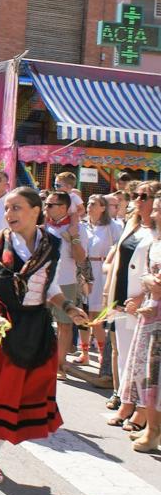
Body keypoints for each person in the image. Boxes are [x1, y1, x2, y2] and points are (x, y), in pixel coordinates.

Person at [0, 187, 88, 484]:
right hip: (0, 324)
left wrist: (68, 306)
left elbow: (48, 287)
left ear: (35, 211)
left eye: (16, 208)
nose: (9, 214)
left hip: (35, 329)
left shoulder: (52, 245)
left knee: (12, 398)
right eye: (7, 209)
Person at [105, 182, 158, 430]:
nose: (138, 199)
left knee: (142, 359)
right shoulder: (132, 224)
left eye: (144, 196)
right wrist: (108, 289)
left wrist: (140, 297)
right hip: (120, 297)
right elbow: (116, 258)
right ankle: (127, 401)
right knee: (126, 355)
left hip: (143, 302)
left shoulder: (157, 233)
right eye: (135, 195)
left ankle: (141, 409)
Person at [123, 196, 161, 453]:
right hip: (152, 314)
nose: (155, 212)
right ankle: (152, 428)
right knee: (151, 373)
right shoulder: (155, 242)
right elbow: (149, 274)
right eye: (156, 208)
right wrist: (147, 286)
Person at [74, 195, 123, 370]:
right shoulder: (83, 226)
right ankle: (85, 353)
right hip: (84, 270)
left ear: (103, 207)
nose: (89, 206)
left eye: (94, 204)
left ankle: (103, 355)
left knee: (96, 315)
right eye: (88, 203)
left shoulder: (112, 227)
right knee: (82, 312)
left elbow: (119, 248)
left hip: (101, 270)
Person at [43, 191, 86, 380]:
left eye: (50, 205)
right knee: (39, 321)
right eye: (46, 204)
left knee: (64, 325)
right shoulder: (45, 226)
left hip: (66, 282)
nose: (46, 207)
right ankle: (40, 361)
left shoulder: (78, 228)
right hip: (43, 282)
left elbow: (81, 258)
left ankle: (60, 366)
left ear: (63, 208)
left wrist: (74, 238)